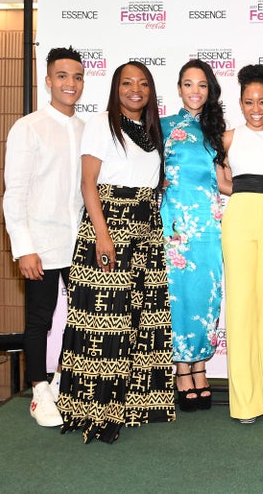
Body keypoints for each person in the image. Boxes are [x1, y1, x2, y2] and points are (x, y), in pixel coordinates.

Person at [57, 61, 175, 443]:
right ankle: (95, 409)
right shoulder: (101, 123)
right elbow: (88, 184)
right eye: (127, 83)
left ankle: (133, 404)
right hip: (108, 227)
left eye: (142, 83)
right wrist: (103, 236)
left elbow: (149, 179)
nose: (135, 89)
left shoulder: (150, 131)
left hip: (145, 229)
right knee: (103, 321)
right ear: (115, 87)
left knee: (139, 320)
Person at [3, 46, 85, 428]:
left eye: (77, 76)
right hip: (41, 244)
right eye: (63, 76)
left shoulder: (86, 129)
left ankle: (61, 381)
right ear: (49, 80)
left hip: (78, 241)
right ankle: (38, 390)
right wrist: (24, 248)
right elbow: (14, 191)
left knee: (83, 318)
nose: (71, 83)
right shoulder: (29, 127)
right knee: (40, 319)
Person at [216, 64, 263, 424]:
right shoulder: (228, 138)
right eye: (249, 102)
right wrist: (246, 191)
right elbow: (222, 182)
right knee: (241, 307)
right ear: (240, 102)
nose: (256, 108)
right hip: (241, 216)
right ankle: (244, 401)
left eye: (262, 101)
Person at [160, 59, 226, 412]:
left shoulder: (217, 131)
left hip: (209, 225)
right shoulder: (163, 126)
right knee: (180, 296)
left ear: (210, 89)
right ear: (179, 88)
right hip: (175, 224)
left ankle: (200, 366)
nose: (195, 91)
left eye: (201, 85)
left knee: (205, 295)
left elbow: (225, 181)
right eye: (188, 84)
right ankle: (182, 370)